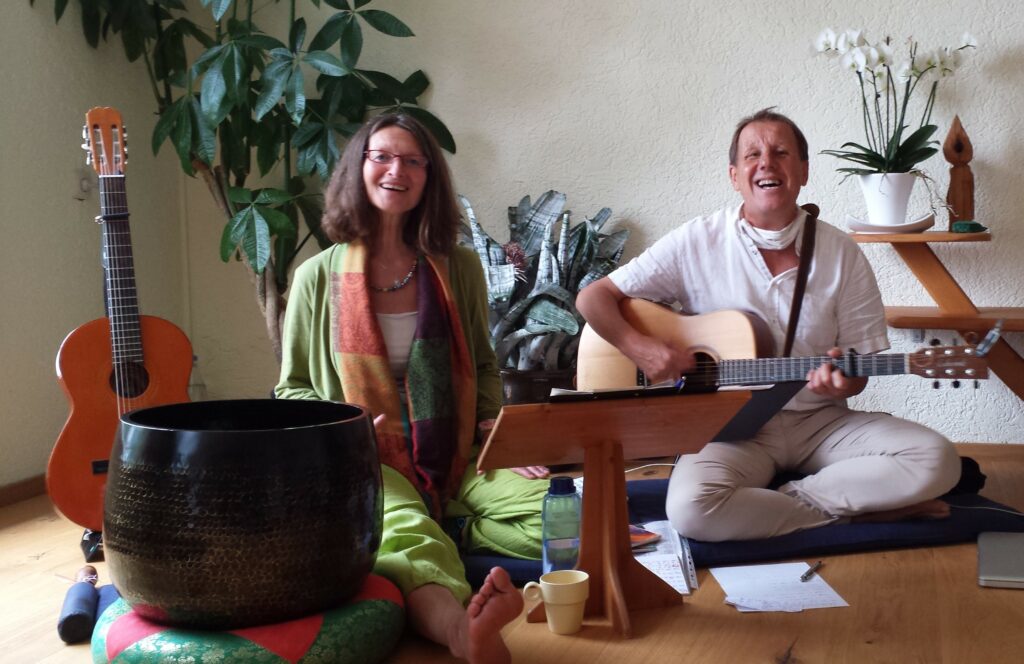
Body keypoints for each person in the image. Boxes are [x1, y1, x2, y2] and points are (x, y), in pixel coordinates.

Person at [576, 108, 961, 542]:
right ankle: (852, 513)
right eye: (753, 155)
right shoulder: (696, 241)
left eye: (781, 153)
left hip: (819, 423)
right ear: (734, 176)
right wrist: (641, 349)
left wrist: (841, 382)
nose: (767, 164)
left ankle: (790, 503)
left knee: (937, 458)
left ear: (803, 171)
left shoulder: (842, 253)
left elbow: (857, 377)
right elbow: (593, 298)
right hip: (730, 430)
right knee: (690, 510)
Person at [276, 113, 550, 662]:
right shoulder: (316, 277)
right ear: (358, 168)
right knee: (403, 531)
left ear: (429, 177)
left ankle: (455, 526)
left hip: (459, 448)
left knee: (560, 511)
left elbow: (485, 366)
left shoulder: (459, 268)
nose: (395, 170)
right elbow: (293, 391)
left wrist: (494, 427)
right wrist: (345, 428)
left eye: (412, 161)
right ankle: (460, 632)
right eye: (380, 156)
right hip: (369, 458)